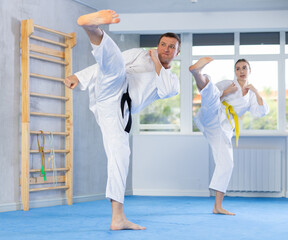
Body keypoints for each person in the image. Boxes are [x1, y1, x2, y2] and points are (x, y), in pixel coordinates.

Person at [64, 10, 180, 230]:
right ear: (157, 45)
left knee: (120, 155)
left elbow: (163, 89)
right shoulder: (139, 53)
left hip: (119, 111)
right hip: (114, 85)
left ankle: (117, 217)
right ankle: (92, 28)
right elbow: (105, 65)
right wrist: (78, 77)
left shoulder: (173, 81)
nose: (166, 49)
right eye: (163, 44)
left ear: (177, 52)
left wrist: (155, 59)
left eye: (171, 46)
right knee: (115, 63)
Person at [189, 57, 269, 215]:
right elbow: (209, 97)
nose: (241, 71)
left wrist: (256, 91)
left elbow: (261, 111)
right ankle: (197, 72)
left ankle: (217, 206)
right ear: (235, 72)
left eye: (244, 68)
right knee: (211, 95)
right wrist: (227, 92)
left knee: (227, 163)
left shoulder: (251, 95)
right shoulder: (228, 83)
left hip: (223, 129)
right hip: (213, 115)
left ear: (249, 71)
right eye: (238, 69)